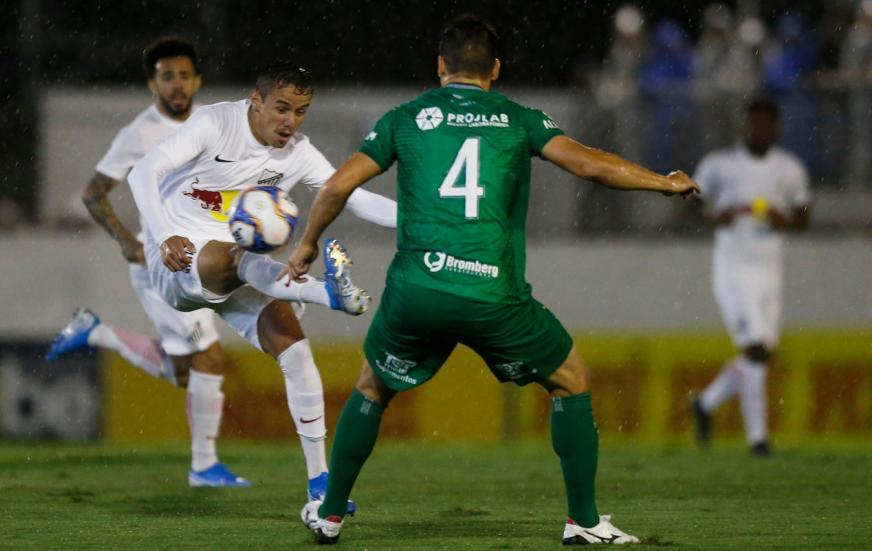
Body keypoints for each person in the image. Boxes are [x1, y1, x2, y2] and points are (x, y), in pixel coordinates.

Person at [288, 15, 699, 545]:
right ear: (496, 69)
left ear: (441, 65)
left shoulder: (405, 119)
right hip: (490, 294)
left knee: (372, 385)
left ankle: (329, 515)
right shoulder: (519, 119)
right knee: (570, 378)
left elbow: (336, 187)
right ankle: (584, 521)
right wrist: (663, 183)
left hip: (419, 291)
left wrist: (307, 244)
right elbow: (591, 165)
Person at [125, 59, 396, 505]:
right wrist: (163, 233)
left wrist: (424, 222)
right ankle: (324, 291)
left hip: (245, 267)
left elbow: (354, 197)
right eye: (282, 108)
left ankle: (320, 482)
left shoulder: (300, 153)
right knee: (238, 257)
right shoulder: (215, 124)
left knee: (296, 351)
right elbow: (142, 172)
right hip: (177, 258)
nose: (291, 122)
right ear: (256, 100)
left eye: (301, 111)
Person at [46, 37, 252, 487]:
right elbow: (93, 193)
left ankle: (97, 331)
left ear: (197, 80)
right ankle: (203, 467)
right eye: (166, 77)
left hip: (199, 261)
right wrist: (126, 241)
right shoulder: (138, 134)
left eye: (183, 76)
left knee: (185, 372)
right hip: (165, 268)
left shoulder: (211, 123)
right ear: (151, 85)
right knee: (209, 360)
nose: (176, 85)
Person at [690, 98, 810, 457]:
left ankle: (705, 403)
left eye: (766, 124)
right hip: (733, 269)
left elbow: (803, 218)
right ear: (744, 126)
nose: (760, 130)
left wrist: (785, 220)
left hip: (770, 270)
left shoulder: (790, 168)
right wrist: (715, 216)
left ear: (776, 128)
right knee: (755, 350)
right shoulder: (719, 165)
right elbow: (689, 206)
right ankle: (758, 440)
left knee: (762, 354)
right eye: (754, 123)